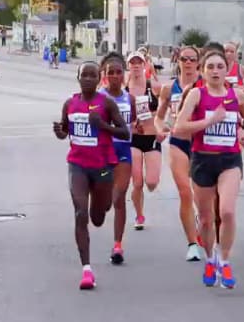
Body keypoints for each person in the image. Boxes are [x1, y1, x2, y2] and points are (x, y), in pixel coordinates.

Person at [174, 50, 244, 289]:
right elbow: (179, 126)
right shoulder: (196, 95)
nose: (215, 71)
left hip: (229, 160)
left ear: (226, 69)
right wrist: (210, 121)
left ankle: (225, 260)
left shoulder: (237, 95)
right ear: (202, 70)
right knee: (208, 220)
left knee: (227, 212)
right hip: (202, 161)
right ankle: (210, 258)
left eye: (220, 66)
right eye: (210, 67)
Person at [52, 61, 129, 289]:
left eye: (92, 75)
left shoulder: (106, 103)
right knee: (80, 213)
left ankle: (100, 206)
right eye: (83, 75)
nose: (87, 79)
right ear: (77, 77)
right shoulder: (70, 103)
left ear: (99, 79)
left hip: (103, 167)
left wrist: (103, 125)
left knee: (98, 216)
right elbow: (66, 131)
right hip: (78, 166)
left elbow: (125, 133)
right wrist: (60, 132)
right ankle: (86, 270)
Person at [153, 46, 203, 261]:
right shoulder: (168, 88)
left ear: (198, 63)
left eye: (192, 59)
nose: (188, 63)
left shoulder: (205, 85)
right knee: (185, 192)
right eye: (184, 59)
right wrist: (160, 128)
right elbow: (159, 116)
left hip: (202, 144)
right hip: (178, 142)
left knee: (203, 197)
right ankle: (192, 243)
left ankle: (202, 220)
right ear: (178, 61)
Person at [98, 52, 136, 264]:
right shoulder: (99, 98)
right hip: (102, 152)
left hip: (123, 151)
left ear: (124, 75)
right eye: (110, 72)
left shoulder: (129, 99)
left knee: (119, 196)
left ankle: (118, 245)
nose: (114, 76)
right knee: (105, 202)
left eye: (118, 72)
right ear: (104, 75)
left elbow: (135, 123)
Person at [125, 51, 162, 230]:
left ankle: (142, 205)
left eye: (139, 62)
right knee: (137, 181)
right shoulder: (124, 88)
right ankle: (139, 215)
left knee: (152, 182)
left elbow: (166, 107)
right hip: (133, 139)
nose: (136, 65)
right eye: (132, 63)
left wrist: (160, 122)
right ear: (128, 66)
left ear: (145, 65)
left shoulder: (153, 86)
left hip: (152, 137)